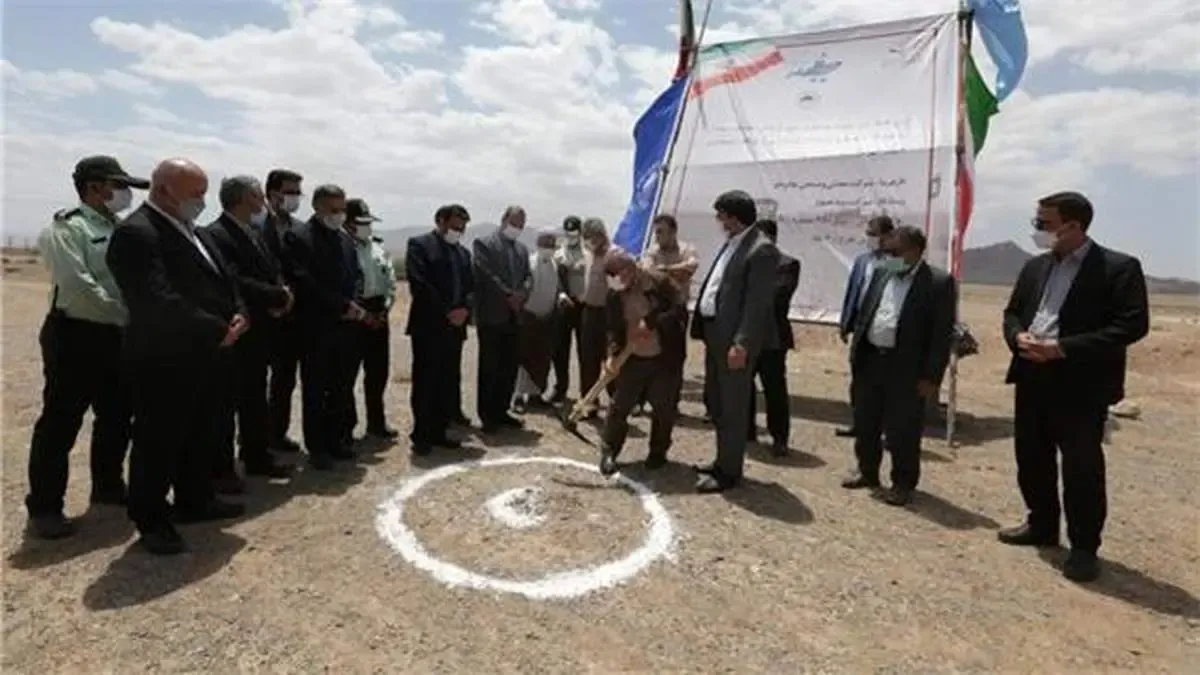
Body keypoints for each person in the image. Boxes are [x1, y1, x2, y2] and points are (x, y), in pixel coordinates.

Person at [997, 191, 1149, 583]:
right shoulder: (1035, 267)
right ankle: (1042, 525)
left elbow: (1131, 325)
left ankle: (1083, 549)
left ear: (1073, 226)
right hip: (1032, 377)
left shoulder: (1118, 268)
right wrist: (1018, 339)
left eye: (1043, 224)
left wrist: (1062, 349)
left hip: (1081, 385)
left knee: (1081, 468)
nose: (1037, 231)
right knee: (1032, 458)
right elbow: (1013, 313)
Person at [106, 158, 247, 555]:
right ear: (164, 190)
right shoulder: (136, 234)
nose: (202, 202)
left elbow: (224, 279)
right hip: (164, 358)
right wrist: (217, 329)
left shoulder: (194, 232)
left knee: (199, 431)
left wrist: (237, 312)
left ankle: (194, 499)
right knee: (159, 438)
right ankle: (150, 518)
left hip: (207, 353)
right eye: (195, 194)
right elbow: (156, 299)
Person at [24, 155, 146, 540]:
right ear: (95, 187)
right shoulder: (67, 229)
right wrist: (128, 315)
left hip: (115, 336)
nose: (125, 194)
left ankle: (108, 487)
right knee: (61, 422)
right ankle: (45, 506)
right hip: (77, 334)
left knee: (116, 415)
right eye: (119, 185)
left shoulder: (121, 228)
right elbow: (79, 286)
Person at [840, 225, 955, 506]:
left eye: (894, 251)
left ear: (915, 251)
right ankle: (867, 472)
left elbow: (941, 334)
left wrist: (931, 376)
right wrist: (857, 352)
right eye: (886, 251)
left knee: (903, 429)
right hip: (871, 361)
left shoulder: (938, 283)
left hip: (906, 368)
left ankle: (903, 483)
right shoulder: (882, 272)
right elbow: (867, 312)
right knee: (866, 421)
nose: (887, 256)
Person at [204, 176, 294, 493]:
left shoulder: (254, 233)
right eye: (258, 196)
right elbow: (234, 280)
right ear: (245, 198)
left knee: (255, 396)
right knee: (227, 402)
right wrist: (275, 296)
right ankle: (221, 468)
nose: (263, 202)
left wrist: (281, 295)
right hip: (238, 329)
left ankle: (256, 455)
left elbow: (271, 270)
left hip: (264, 328)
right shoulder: (216, 234)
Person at [690, 190, 779, 493]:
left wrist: (741, 343)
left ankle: (729, 472)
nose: (718, 221)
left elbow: (757, 305)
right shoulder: (733, 243)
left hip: (733, 342)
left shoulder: (761, 250)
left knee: (733, 406)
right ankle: (721, 460)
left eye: (721, 215)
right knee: (716, 402)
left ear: (733, 216)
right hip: (716, 335)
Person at [281, 184, 364, 470]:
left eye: (342, 209)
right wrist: (340, 305)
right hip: (315, 327)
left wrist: (351, 305)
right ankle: (317, 447)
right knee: (316, 388)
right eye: (333, 210)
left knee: (341, 387)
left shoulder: (344, 239)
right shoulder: (300, 237)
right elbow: (304, 282)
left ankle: (337, 439)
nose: (339, 215)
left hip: (345, 326)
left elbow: (354, 276)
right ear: (317, 207)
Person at [597, 250, 688, 477]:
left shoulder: (659, 282)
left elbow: (679, 310)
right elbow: (613, 329)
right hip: (632, 359)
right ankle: (609, 451)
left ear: (631, 268)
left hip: (664, 358)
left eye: (622, 276)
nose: (621, 283)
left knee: (663, 408)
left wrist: (652, 322)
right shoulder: (614, 295)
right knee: (619, 407)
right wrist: (611, 355)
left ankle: (658, 452)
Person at [405, 204, 472, 455]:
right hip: (429, 326)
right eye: (455, 226)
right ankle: (422, 434)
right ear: (440, 221)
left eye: (463, 228)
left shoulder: (463, 254)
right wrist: (447, 312)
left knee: (447, 380)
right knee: (425, 381)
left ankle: (440, 430)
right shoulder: (420, 246)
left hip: (455, 328)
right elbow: (419, 284)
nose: (458, 231)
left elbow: (470, 288)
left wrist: (465, 309)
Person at [342, 198, 398, 441]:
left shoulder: (377, 247)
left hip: (379, 311)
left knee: (378, 373)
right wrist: (363, 314)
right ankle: (346, 427)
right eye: (361, 222)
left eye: (368, 222)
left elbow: (391, 283)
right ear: (348, 223)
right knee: (347, 375)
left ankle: (376, 422)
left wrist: (384, 309)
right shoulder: (343, 247)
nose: (367, 227)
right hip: (354, 314)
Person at [472, 206, 531, 432]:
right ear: (504, 220)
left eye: (521, 226)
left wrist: (522, 295)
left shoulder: (522, 250)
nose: (517, 229)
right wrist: (508, 295)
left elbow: (528, 277)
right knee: (490, 366)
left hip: (514, 317)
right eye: (514, 223)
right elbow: (486, 274)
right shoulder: (484, 244)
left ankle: (501, 410)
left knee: (509, 366)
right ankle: (487, 415)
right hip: (492, 315)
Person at [835, 215, 896, 437]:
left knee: (884, 385)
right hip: (860, 327)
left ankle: (886, 431)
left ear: (888, 235)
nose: (870, 238)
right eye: (868, 234)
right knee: (858, 380)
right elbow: (852, 292)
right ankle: (859, 424)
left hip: (881, 329)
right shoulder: (862, 260)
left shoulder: (896, 262)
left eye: (874, 234)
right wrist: (845, 324)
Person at [746, 218, 801, 456]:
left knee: (774, 389)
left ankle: (779, 437)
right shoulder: (746, 263)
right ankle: (747, 431)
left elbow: (778, 297)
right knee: (744, 386)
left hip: (773, 338)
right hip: (747, 336)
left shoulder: (788, 264)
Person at [260, 168, 305, 453]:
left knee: (284, 379)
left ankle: (277, 432)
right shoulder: (255, 226)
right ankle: (253, 438)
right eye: (290, 191)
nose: (295, 198)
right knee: (251, 384)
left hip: (292, 315)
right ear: (272, 193)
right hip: (261, 314)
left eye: (298, 192)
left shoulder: (299, 228)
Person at [637, 213, 699, 415]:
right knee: (647, 355)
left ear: (673, 232)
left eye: (661, 232)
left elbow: (690, 268)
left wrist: (664, 269)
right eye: (655, 231)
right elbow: (647, 272)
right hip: (654, 310)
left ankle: (671, 404)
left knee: (674, 358)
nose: (657, 236)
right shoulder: (652, 251)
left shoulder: (687, 249)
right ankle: (642, 400)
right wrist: (672, 273)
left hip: (677, 310)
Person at [512, 229, 566, 413]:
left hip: (547, 318)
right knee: (523, 358)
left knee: (542, 359)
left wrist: (562, 297)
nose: (549, 249)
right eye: (546, 246)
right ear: (539, 246)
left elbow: (557, 287)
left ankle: (535, 394)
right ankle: (518, 397)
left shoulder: (554, 264)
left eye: (552, 246)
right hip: (529, 317)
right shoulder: (530, 263)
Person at [577, 217, 612, 418]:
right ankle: (589, 403)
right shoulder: (589, 255)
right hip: (589, 312)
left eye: (591, 237)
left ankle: (617, 405)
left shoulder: (613, 255)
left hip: (608, 314)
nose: (588, 241)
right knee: (587, 360)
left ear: (601, 235)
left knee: (610, 361)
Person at [549, 216, 586, 404]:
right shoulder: (558, 253)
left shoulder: (588, 252)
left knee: (585, 351)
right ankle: (560, 387)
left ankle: (586, 393)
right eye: (568, 232)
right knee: (560, 349)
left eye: (574, 233)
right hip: (565, 305)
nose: (571, 236)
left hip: (584, 306)